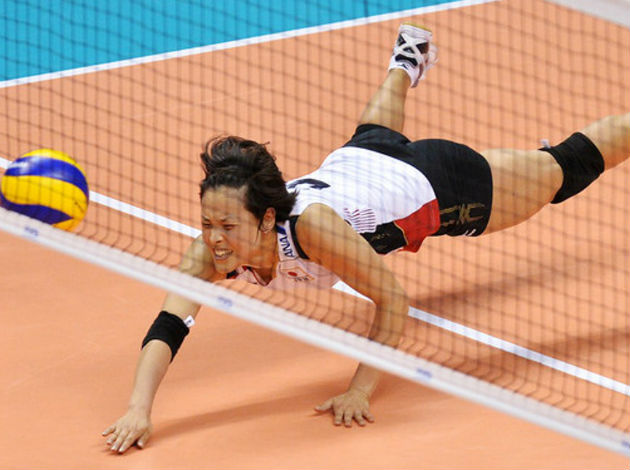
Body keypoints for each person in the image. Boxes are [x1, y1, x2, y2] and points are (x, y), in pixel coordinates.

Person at [102, 24, 630, 453]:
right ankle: (406, 60)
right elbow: (169, 325)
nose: (214, 240)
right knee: (377, 136)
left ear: (267, 219)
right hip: (360, 161)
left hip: (443, 185)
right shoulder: (211, 251)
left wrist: (360, 389)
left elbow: (393, 301)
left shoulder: (313, 231)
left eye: (227, 226)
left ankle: (534, 163)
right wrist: (138, 409)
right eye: (206, 223)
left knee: (566, 170)